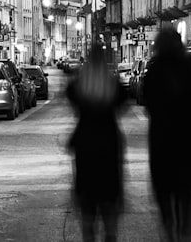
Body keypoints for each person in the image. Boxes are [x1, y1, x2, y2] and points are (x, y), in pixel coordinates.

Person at [143, 29, 191, 242]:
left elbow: (148, 104)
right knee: (185, 188)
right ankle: (185, 229)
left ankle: (168, 226)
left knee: (164, 187)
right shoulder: (189, 68)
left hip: (161, 139)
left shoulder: (154, 70)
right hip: (186, 137)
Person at [66, 45, 127, 242]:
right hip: (109, 143)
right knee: (109, 206)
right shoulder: (113, 85)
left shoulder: (78, 86)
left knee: (87, 209)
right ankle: (110, 235)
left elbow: (72, 101)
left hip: (86, 143)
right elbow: (122, 105)